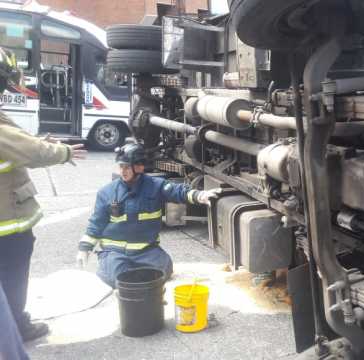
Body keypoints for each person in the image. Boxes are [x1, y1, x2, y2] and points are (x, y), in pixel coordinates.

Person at [0, 47, 86, 344]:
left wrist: (39, 141)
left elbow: (19, 142)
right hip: (7, 221)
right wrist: (62, 152)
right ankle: (15, 327)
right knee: (12, 274)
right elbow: (28, 150)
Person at [76, 143, 216, 288]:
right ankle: (117, 268)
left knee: (164, 269)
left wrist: (199, 195)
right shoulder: (107, 192)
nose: (123, 171)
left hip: (146, 251)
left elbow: (177, 191)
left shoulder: (155, 186)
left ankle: (135, 271)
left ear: (139, 167)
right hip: (115, 253)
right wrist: (84, 248)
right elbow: (96, 223)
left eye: (127, 167)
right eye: (121, 166)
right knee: (118, 278)